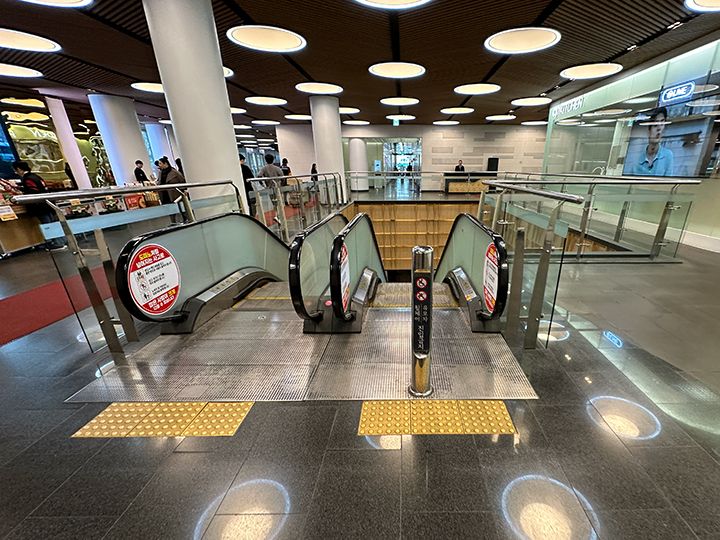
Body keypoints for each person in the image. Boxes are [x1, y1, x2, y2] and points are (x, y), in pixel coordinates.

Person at [12, 160, 66, 251]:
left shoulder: (27, 179)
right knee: (52, 223)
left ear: (19, 169)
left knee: (47, 224)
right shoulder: (35, 176)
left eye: (15, 170)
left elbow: (33, 192)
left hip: (39, 206)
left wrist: (21, 193)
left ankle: (56, 244)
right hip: (47, 204)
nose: (16, 172)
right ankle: (61, 241)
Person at [631, 107, 674, 177]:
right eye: (655, 125)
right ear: (648, 130)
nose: (659, 129)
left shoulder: (668, 155)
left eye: (662, 124)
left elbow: (668, 182)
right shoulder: (637, 160)